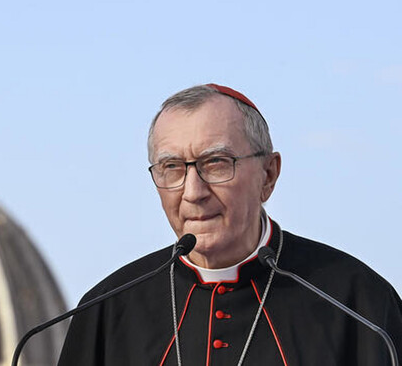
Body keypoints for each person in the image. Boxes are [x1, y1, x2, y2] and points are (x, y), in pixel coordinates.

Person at [57, 84, 402, 365]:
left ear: (268, 175)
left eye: (217, 163)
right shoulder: (105, 310)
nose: (193, 192)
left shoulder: (358, 303)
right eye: (172, 168)